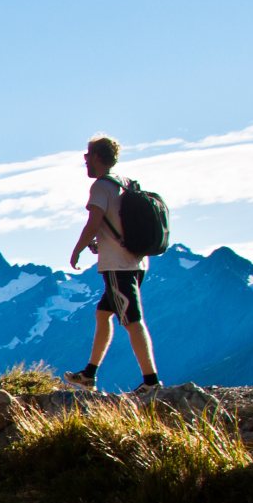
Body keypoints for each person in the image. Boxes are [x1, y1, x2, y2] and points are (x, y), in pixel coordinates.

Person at [63, 135, 160, 393]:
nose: (85, 161)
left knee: (132, 321)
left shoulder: (101, 188)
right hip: (137, 262)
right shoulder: (126, 184)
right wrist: (101, 243)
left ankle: (151, 382)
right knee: (103, 313)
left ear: (96, 157)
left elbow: (93, 222)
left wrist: (79, 249)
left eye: (87, 156)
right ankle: (89, 373)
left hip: (118, 267)